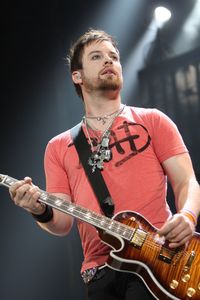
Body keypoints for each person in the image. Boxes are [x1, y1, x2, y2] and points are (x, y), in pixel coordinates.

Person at [9, 29, 200, 300]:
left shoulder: (153, 120)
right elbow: (61, 223)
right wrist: (38, 209)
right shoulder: (58, 146)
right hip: (99, 272)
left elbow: (187, 181)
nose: (109, 61)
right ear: (77, 76)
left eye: (114, 56)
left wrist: (188, 216)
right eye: (97, 57)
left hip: (159, 260)